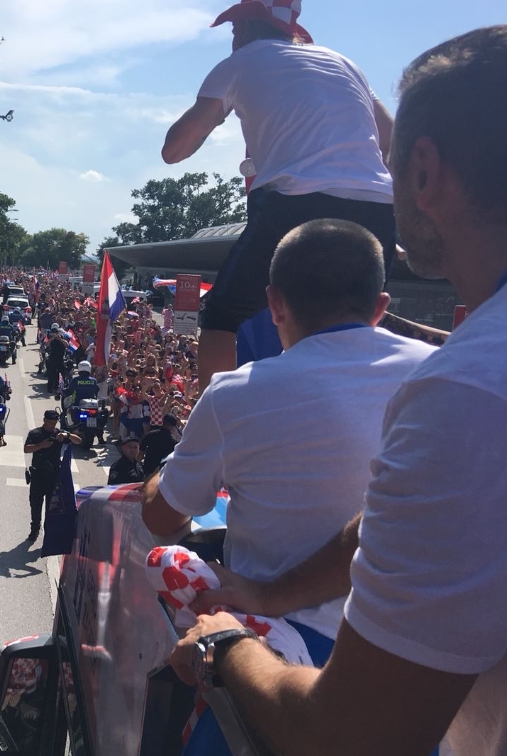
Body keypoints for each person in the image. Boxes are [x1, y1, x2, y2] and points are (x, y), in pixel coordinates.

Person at [169, 26, 507, 756]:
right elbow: (382, 519)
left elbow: (344, 736)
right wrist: (265, 595)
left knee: (218, 320)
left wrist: (227, 641)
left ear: (420, 171)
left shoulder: (466, 389)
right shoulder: (453, 371)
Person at [141, 219, 434, 755]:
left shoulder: (234, 395)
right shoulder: (444, 376)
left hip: (265, 672)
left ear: (274, 303)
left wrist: (164, 470)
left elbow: (163, 516)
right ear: (380, 305)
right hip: (415, 685)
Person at [162, 0, 397, 388]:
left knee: (221, 316)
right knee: (350, 320)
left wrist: (217, 113)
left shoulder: (240, 62)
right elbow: (392, 140)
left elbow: (175, 150)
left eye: (235, 28)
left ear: (249, 28)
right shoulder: (344, 63)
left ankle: (217, 419)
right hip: (376, 205)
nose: (233, 38)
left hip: (294, 201)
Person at [22, 410, 81, 543]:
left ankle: (49, 531)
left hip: (53, 476)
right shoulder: (35, 433)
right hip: (38, 475)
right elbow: (26, 449)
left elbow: (78, 441)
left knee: (51, 507)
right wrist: (41, 445)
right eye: (49, 422)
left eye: (54, 423)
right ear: (44, 420)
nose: (51, 425)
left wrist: (67, 435)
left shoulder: (58, 433)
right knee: (35, 504)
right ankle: (35, 528)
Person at [44, 327, 68, 395]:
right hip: (53, 359)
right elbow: (46, 344)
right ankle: (49, 388)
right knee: (51, 374)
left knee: (62, 374)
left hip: (60, 359)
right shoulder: (53, 340)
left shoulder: (62, 340)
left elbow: (67, 344)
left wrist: (60, 339)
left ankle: (61, 387)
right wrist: (51, 339)